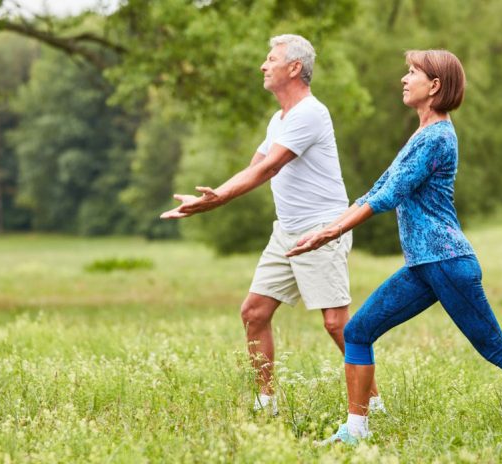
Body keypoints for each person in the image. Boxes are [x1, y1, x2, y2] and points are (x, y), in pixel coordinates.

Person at [286, 49, 502, 443]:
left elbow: (389, 195)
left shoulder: (437, 137)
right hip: (424, 266)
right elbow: (377, 188)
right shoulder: (422, 134)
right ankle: (355, 431)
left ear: (435, 86)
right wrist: (327, 227)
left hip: (446, 260)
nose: (404, 79)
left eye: (413, 73)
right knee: (357, 331)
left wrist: (330, 233)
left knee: (493, 346)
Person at [161, 34, 383, 415]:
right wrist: (208, 198)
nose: (263, 66)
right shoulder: (278, 119)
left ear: (294, 67)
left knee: (335, 323)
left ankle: (373, 402)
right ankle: (266, 403)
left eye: (271, 59)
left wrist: (219, 200)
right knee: (254, 312)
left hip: (321, 230)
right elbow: (254, 165)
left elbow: (270, 167)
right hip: (287, 231)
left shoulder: (311, 113)